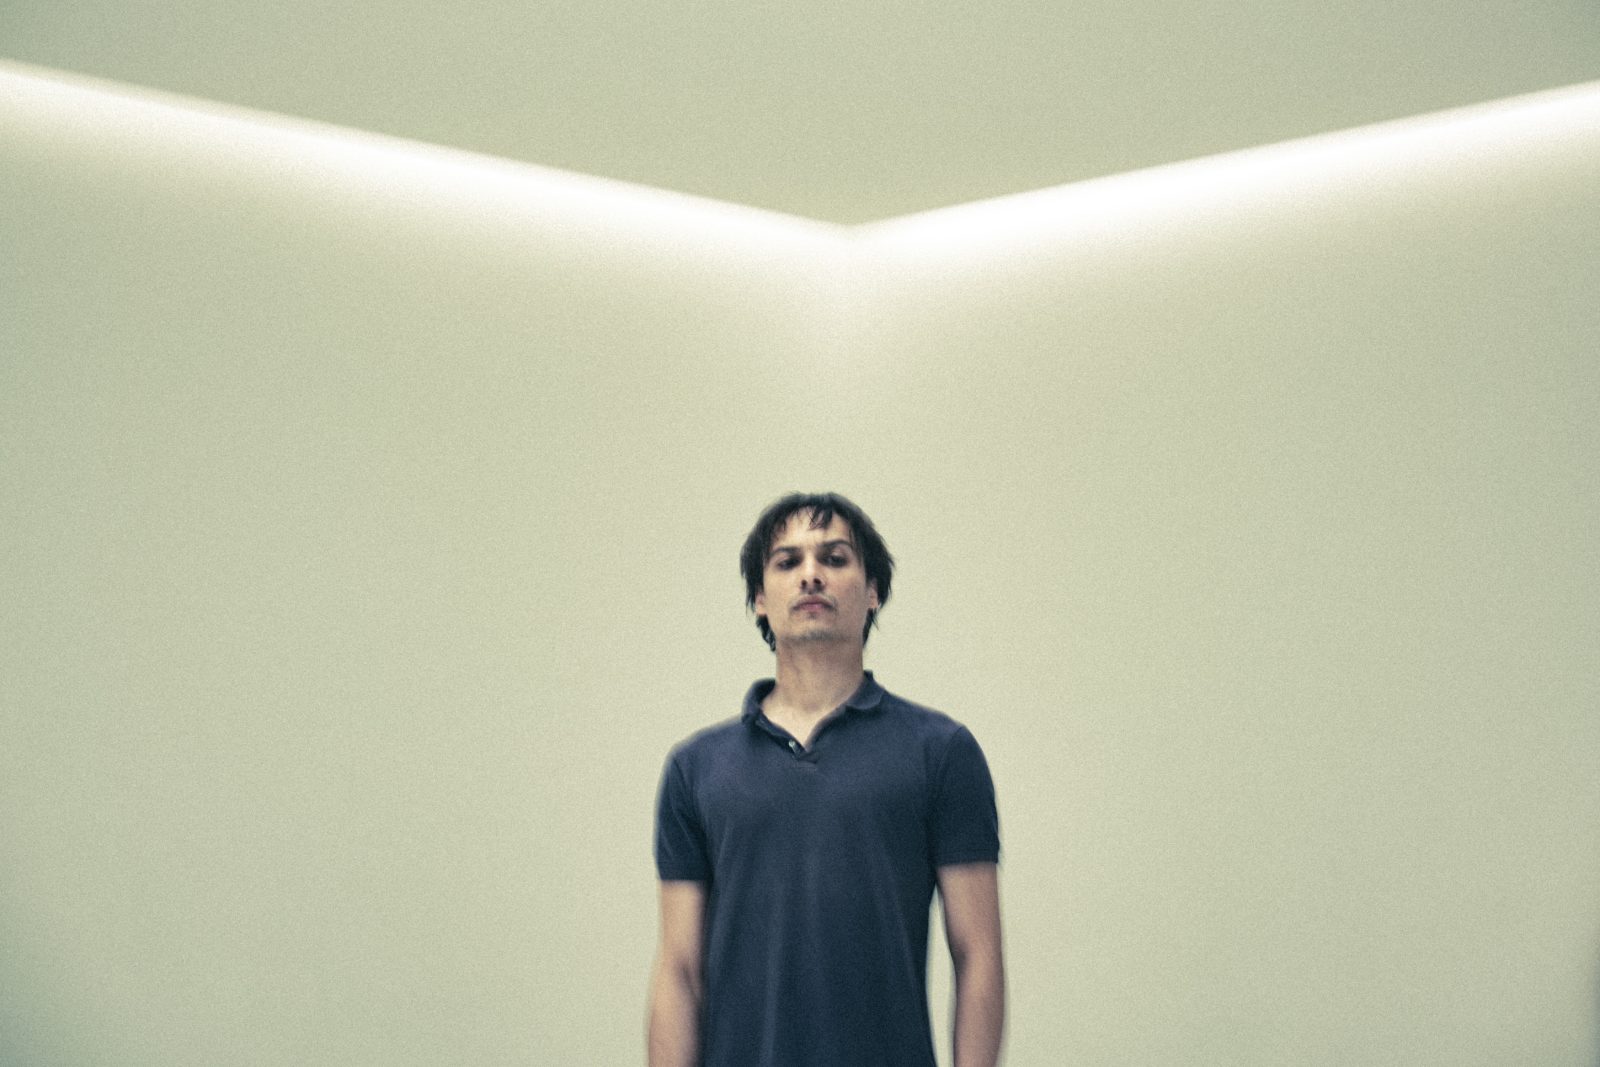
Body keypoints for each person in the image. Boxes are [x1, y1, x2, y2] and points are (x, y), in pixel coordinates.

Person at [648, 492, 1004, 1067]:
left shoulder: (941, 752)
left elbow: (978, 954)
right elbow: (679, 970)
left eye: (834, 559)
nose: (811, 575)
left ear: (872, 592)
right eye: (787, 562)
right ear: (760, 600)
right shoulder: (697, 768)